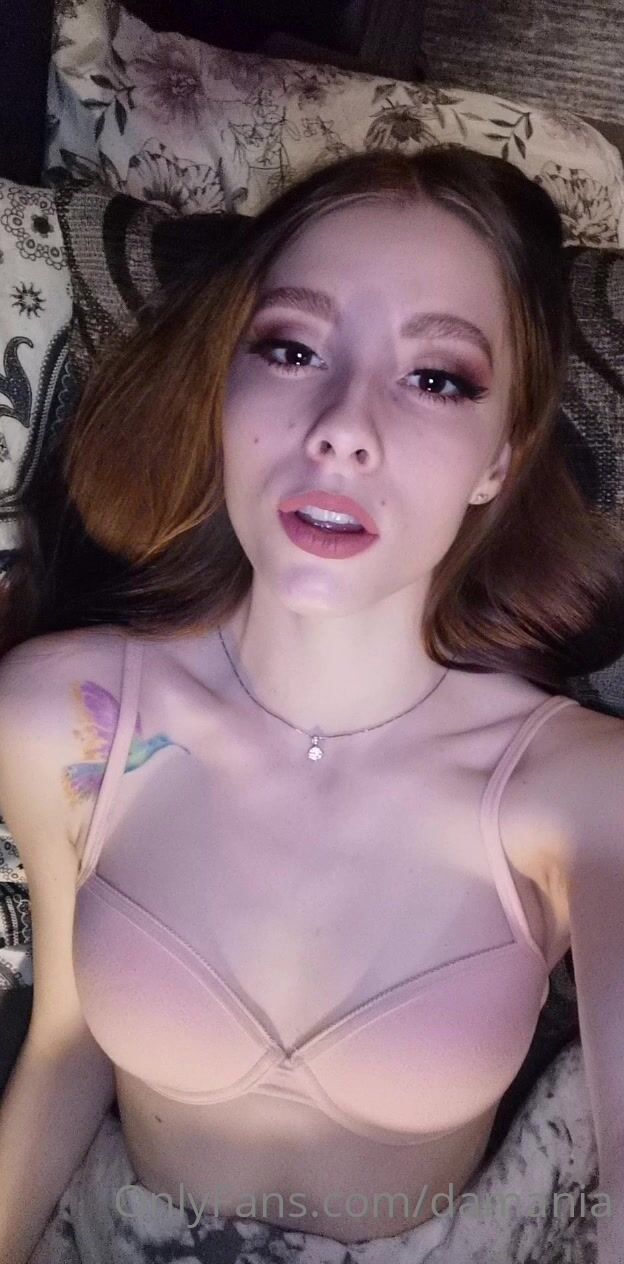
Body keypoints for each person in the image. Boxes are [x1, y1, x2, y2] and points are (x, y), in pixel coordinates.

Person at [0, 145, 623, 1264]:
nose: (343, 426)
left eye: (437, 378)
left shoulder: (578, 790)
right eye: (291, 349)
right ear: (223, 387)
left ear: (502, 458)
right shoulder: (63, 716)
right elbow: (66, 1045)